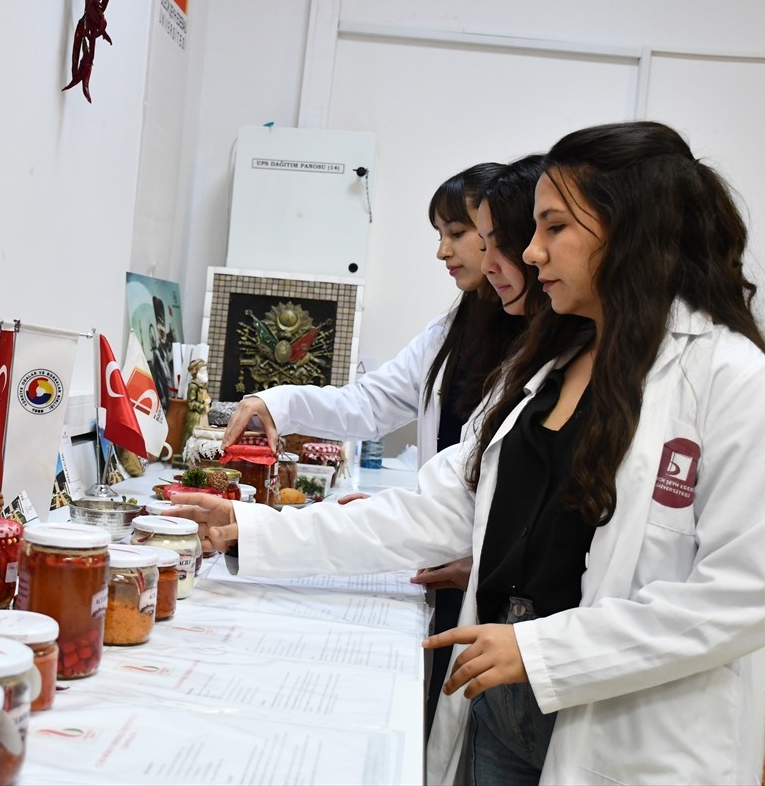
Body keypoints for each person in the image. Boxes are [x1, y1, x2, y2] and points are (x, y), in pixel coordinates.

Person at [170, 121, 765, 784]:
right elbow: (431, 512)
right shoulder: (545, 367)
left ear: (631, 229)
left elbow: (743, 598)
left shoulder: (733, 382)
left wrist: (542, 651)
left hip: (626, 734)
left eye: (553, 228)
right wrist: (251, 529)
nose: (531, 254)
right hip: (499, 704)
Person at [221, 161, 532, 737]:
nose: (445, 252)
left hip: (484, 572)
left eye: (461, 234)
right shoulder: (452, 329)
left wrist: (482, 559)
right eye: (442, 235)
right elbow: (368, 404)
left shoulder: (539, 344)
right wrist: (279, 402)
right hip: (442, 555)